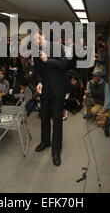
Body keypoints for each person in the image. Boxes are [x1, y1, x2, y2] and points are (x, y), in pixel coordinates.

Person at [32, 32, 68, 166]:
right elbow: (37, 71)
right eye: (34, 40)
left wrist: (48, 60)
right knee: (44, 117)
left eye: (38, 38)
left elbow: (64, 64)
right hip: (45, 91)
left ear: (43, 36)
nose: (37, 41)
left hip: (58, 90)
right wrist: (39, 82)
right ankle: (45, 142)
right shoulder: (35, 52)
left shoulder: (58, 47)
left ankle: (56, 151)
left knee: (57, 121)